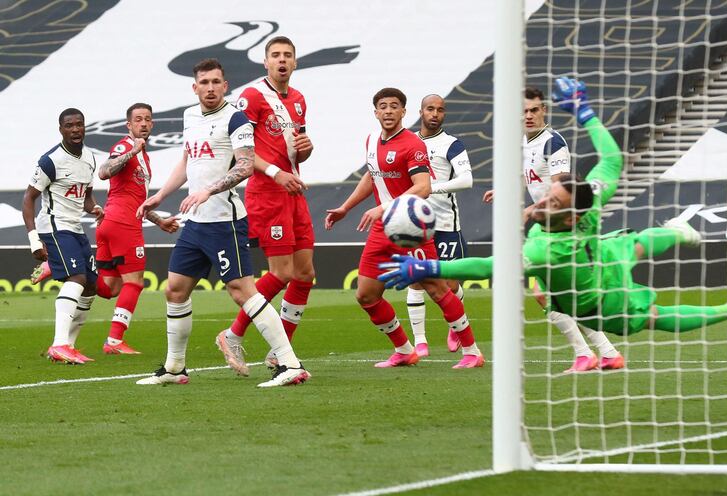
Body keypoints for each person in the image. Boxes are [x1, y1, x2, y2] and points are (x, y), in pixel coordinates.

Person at [379, 78, 727, 343]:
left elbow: (490, 267)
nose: (542, 201)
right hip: (602, 253)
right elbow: (611, 159)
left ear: (570, 216)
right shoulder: (586, 203)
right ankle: (680, 232)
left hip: (600, 299)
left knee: (657, 318)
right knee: (638, 242)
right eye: (547, 195)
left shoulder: (545, 250)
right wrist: (586, 112)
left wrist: (431, 268)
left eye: (552, 202)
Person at [135, 58, 309, 387]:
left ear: (225, 86)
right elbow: (188, 159)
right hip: (195, 223)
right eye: (204, 82)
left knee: (242, 291)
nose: (210, 88)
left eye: (216, 82)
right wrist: (160, 196)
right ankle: (174, 368)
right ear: (195, 87)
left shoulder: (236, 118)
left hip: (224, 222)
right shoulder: (189, 116)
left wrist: (207, 191)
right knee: (174, 289)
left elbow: (244, 166)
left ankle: (289, 364)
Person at [325, 87, 483, 369]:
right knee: (366, 295)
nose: (388, 110)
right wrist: (345, 208)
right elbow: (371, 177)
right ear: (375, 112)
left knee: (437, 290)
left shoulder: (413, 145)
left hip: (412, 231)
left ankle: (472, 351)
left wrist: (383, 207)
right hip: (381, 231)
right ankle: (404, 349)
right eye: (382, 106)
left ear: (403, 112)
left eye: (394, 106)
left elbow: (422, 188)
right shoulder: (372, 140)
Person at [483, 86, 623, 372]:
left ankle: (591, 354)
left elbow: (560, 186)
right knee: (551, 293)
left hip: (563, 225)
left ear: (544, 110)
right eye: (523, 111)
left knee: (548, 293)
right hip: (549, 226)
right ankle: (603, 353)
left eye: (534, 110)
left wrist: (531, 210)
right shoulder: (522, 144)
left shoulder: (552, 142)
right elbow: (530, 179)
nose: (529, 116)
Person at [216, 36, 315, 376]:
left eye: (288, 55)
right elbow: (240, 149)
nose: (282, 60)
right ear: (266, 62)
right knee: (282, 272)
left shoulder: (299, 100)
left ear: (296, 62)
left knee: (305, 274)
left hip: (294, 189)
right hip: (267, 191)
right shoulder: (253, 97)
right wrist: (276, 172)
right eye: (276, 55)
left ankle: (278, 352)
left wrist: (306, 149)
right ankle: (232, 334)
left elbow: (297, 149)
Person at [93, 103, 179, 354]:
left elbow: (134, 199)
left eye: (148, 119)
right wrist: (131, 152)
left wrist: (158, 220)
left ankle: (62, 269)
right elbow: (103, 172)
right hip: (123, 224)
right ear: (128, 125)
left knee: (110, 287)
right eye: (138, 120)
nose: (143, 123)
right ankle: (115, 340)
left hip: (113, 222)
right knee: (135, 282)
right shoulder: (126, 147)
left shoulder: (144, 156)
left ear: (152, 124)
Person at [22, 108, 104, 364]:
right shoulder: (50, 160)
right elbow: (28, 199)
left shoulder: (90, 158)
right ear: (61, 129)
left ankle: (69, 346)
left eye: (79, 125)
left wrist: (94, 208)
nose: (75, 129)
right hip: (54, 227)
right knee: (77, 278)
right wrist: (34, 239)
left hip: (76, 228)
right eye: (69, 125)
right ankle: (59, 344)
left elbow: (85, 196)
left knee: (92, 285)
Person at [405, 94, 473, 357]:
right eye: (430, 109)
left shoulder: (452, 144)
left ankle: (456, 326)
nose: (435, 114)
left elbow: (466, 180)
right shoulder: (408, 141)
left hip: (445, 222)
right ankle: (420, 341)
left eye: (440, 110)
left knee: (448, 284)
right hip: (414, 223)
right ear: (421, 111)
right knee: (416, 280)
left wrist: (431, 188)